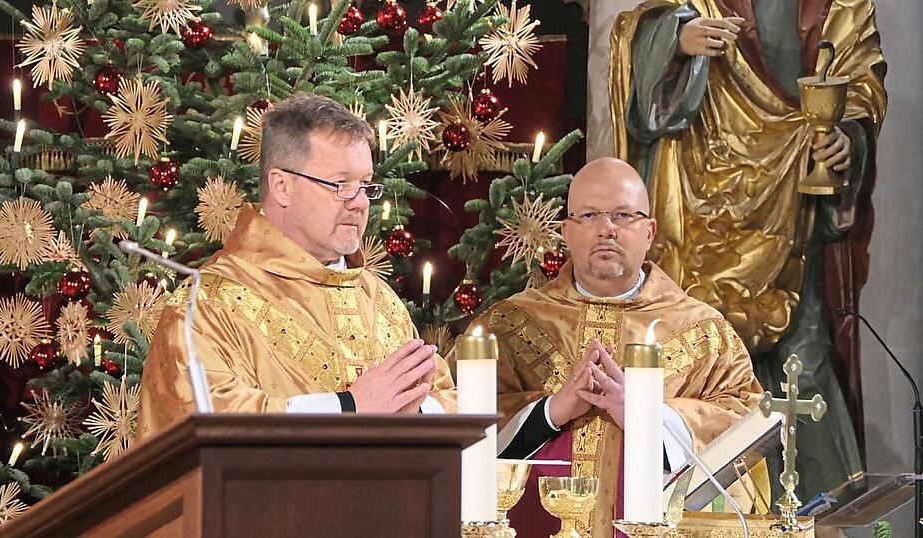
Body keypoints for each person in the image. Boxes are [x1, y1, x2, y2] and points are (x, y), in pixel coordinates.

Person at [608, 0, 886, 501]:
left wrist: (847, 138)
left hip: (791, 197)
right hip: (697, 200)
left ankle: (814, 514)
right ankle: (694, 505)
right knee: (694, 360)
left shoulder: (841, 4)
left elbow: (860, 81)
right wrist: (674, 42)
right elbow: (637, 30)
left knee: (804, 361)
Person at [461, 158, 764, 538]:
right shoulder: (507, 326)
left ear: (649, 231)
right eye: (589, 215)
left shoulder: (705, 332)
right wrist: (551, 411)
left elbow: (746, 425)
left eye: (623, 215)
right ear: (566, 231)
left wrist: (647, 416)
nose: (607, 229)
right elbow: (460, 421)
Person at [137, 93, 455, 438]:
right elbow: (204, 422)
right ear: (282, 186)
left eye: (365, 185)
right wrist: (348, 407)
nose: (361, 203)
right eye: (341, 185)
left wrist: (415, 411)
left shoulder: (378, 300)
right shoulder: (208, 306)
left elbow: (446, 397)